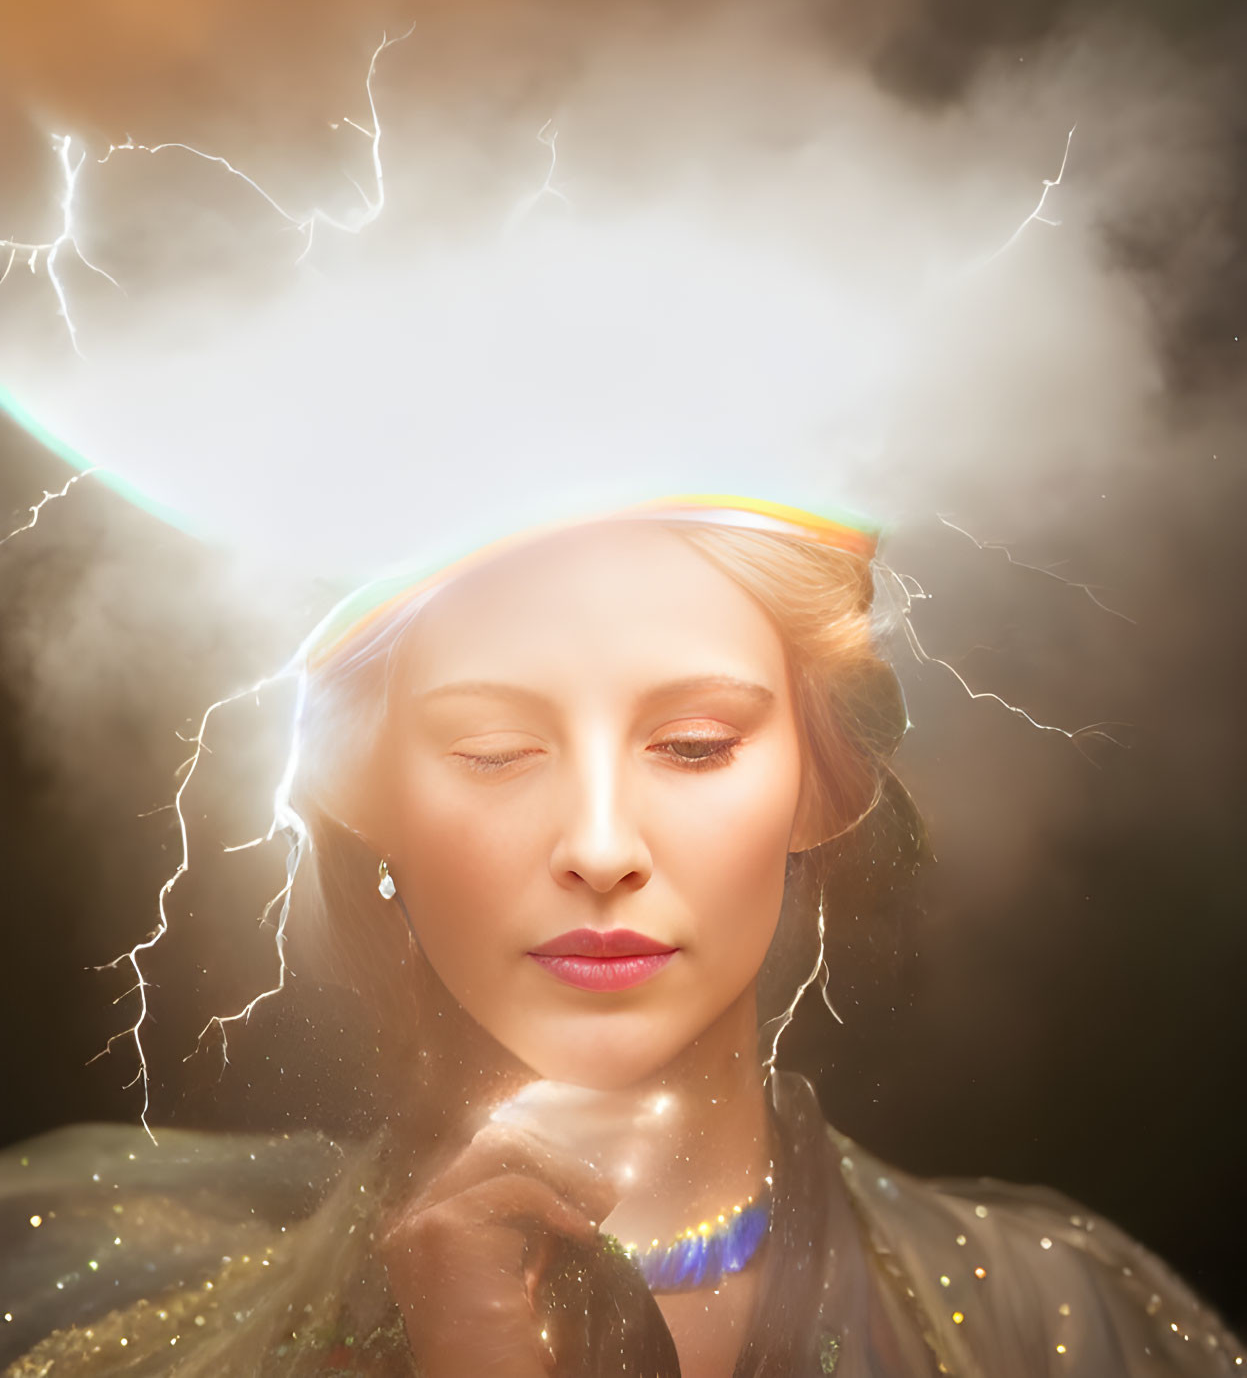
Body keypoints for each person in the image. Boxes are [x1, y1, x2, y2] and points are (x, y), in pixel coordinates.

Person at [0, 498, 1240, 1377]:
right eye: (493, 751)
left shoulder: (1056, 1318)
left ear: (822, 781)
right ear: (367, 804)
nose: (599, 844)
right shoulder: (93, 1307)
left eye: (693, 744)